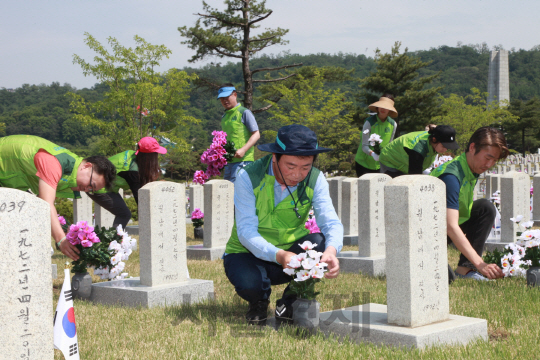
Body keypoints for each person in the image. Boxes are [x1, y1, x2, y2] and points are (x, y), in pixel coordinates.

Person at [223, 124, 343, 326]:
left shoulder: (316, 179)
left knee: (319, 242)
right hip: (246, 253)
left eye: (306, 167)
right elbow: (246, 231)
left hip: (290, 254)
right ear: (274, 158)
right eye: (290, 166)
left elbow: (330, 221)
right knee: (250, 283)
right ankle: (258, 302)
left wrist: (331, 251)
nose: (297, 174)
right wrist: (279, 255)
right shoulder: (248, 176)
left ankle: (289, 302)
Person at [0, 134, 116, 260]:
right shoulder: (55, 164)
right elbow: (45, 203)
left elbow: (38, 204)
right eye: (90, 184)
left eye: (91, 190)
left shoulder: (69, 172)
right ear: (87, 166)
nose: (86, 189)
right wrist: (61, 239)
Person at [431, 127, 508, 282]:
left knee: (485, 208)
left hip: (443, 227)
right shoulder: (451, 176)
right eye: (488, 158)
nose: (490, 164)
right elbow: (450, 226)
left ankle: (465, 269)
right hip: (426, 234)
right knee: (443, 279)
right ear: (472, 148)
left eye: (494, 160)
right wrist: (480, 264)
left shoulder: (470, 167)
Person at [87, 137, 167, 229]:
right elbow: (140, 199)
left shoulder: (133, 155)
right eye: (156, 153)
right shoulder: (132, 171)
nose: (157, 156)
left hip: (99, 182)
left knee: (123, 214)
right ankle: (114, 241)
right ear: (149, 157)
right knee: (124, 214)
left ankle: (114, 240)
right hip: (97, 186)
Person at [217, 84, 260, 182]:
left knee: (237, 193)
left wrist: (243, 150)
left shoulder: (244, 112)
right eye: (221, 98)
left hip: (244, 161)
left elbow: (256, 134)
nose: (224, 100)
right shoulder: (224, 117)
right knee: (227, 192)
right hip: (229, 162)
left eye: (227, 97)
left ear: (235, 95)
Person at [379, 125, 459, 178]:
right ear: (434, 140)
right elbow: (415, 176)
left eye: (448, 147)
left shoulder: (432, 141)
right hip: (390, 161)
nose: (445, 150)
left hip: (404, 162)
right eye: (444, 146)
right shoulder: (418, 149)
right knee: (399, 187)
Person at [354, 94, 397, 177]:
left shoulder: (393, 124)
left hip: (380, 164)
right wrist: (373, 154)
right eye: (381, 106)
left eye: (386, 107)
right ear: (377, 107)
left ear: (390, 110)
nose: (383, 109)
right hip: (363, 162)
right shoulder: (369, 122)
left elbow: (389, 146)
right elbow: (364, 146)